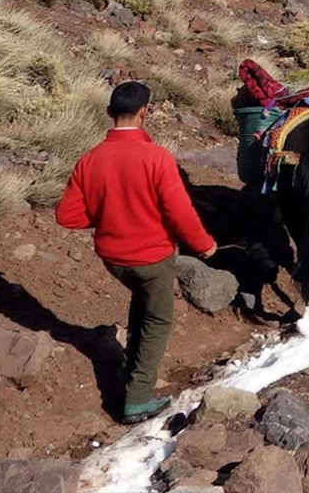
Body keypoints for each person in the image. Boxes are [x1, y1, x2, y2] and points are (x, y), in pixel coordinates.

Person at [55, 80, 218, 423]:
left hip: (113, 259)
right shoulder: (156, 157)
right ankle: (137, 399)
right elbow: (179, 211)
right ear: (146, 112)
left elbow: (66, 215)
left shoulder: (90, 159)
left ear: (110, 113)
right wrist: (204, 244)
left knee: (141, 301)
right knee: (158, 321)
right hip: (152, 257)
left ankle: (128, 368)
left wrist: (108, 214)